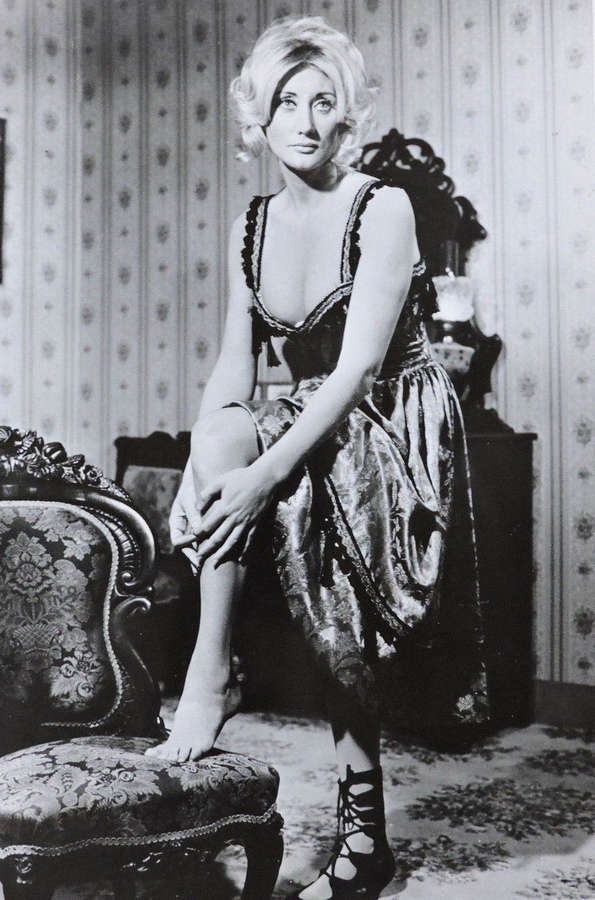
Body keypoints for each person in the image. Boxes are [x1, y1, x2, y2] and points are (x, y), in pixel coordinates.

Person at [147, 16, 488, 899]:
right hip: (310, 408)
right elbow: (235, 366)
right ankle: (210, 674)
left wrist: (260, 478)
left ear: (347, 115)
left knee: (326, 552)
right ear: (256, 118)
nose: (303, 121)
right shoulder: (251, 224)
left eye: (322, 102)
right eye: (285, 102)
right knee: (221, 435)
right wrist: (205, 470)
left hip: (389, 416)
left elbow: (358, 372)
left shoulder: (383, 206)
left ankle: (364, 836)